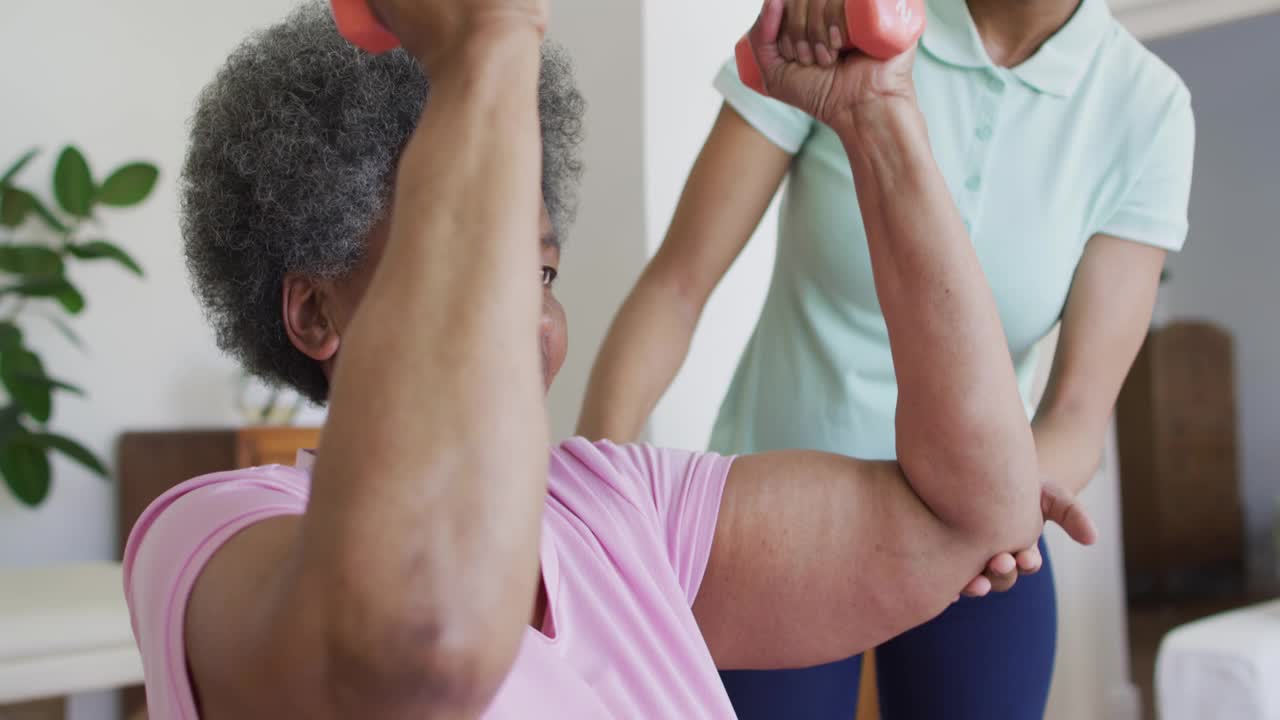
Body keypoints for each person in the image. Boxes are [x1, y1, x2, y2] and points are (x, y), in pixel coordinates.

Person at [123, 1, 1096, 718]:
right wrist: (488, 43)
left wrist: (877, 120)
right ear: (312, 311)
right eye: (465, 259)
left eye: (538, 269)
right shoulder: (211, 535)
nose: (523, 314)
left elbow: (971, 516)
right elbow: (422, 642)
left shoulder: (616, 506)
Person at [578, 0, 1196, 716]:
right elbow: (678, 288)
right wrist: (590, 505)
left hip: (981, 550)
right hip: (778, 527)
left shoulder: (1147, 109)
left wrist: (1001, 518)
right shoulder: (845, 21)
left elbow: (1078, 413)